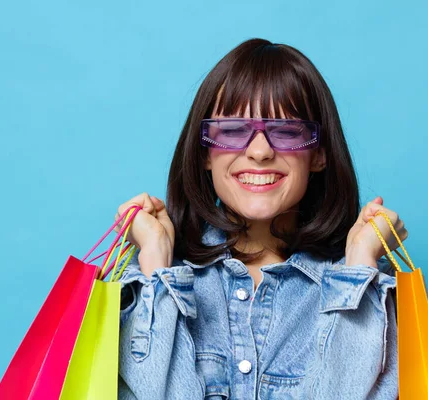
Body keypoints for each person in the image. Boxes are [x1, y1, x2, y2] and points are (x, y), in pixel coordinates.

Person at [113, 38, 408, 400]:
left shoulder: (366, 288)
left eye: (286, 131)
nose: (259, 151)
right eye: (233, 131)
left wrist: (360, 266)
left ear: (319, 154)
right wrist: (156, 264)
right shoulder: (150, 279)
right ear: (205, 152)